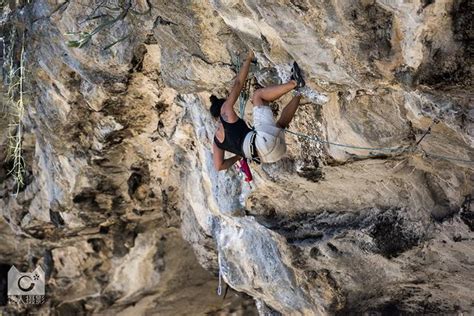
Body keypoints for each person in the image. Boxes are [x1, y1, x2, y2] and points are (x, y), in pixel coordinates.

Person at [211, 50, 305, 171]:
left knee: (279, 125)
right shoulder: (225, 112)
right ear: (221, 106)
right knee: (258, 96)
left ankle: (299, 94)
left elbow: (219, 166)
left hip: (271, 156)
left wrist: (238, 156)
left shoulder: (216, 142)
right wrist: (248, 59)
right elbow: (238, 83)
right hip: (262, 142)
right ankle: (295, 82)